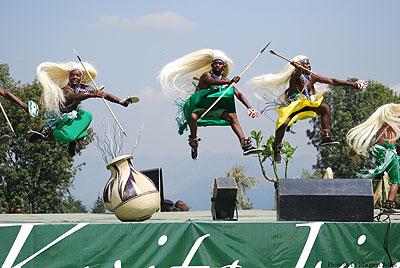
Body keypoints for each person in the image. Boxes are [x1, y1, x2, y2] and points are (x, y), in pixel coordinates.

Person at [249, 55, 367, 163]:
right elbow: (297, 73)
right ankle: (276, 146)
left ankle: (326, 135)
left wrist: (353, 84)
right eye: (306, 64)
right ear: (300, 65)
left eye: (309, 63)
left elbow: (332, 81)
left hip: (307, 104)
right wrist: (298, 68)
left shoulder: (312, 76)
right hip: (294, 106)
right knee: (283, 123)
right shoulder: (295, 76)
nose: (309, 65)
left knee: (325, 107)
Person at [159, 49, 260, 160]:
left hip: (215, 109)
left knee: (232, 116)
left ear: (223, 66)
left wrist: (249, 107)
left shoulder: (225, 79)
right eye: (215, 63)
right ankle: (193, 142)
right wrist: (229, 82)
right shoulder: (206, 76)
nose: (217, 65)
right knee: (193, 117)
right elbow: (212, 82)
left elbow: (238, 94)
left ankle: (244, 144)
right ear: (212, 65)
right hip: (201, 108)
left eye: (220, 63)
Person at [34, 61, 136, 156]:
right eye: (72, 75)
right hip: (59, 118)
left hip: (73, 114)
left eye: (77, 75)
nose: (75, 77)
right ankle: (46, 133)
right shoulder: (66, 89)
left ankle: (75, 139)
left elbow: (105, 95)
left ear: (81, 78)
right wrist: (91, 94)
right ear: (69, 77)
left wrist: (121, 102)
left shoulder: (84, 87)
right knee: (68, 137)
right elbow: (73, 96)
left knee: (87, 115)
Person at [347, 103, 400, 213]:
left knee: (370, 175)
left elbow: (369, 139)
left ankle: (360, 199)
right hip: (389, 151)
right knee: (396, 180)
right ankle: (389, 206)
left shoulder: (377, 127)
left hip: (377, 150)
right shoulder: (393, 124)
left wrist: (356, 148)